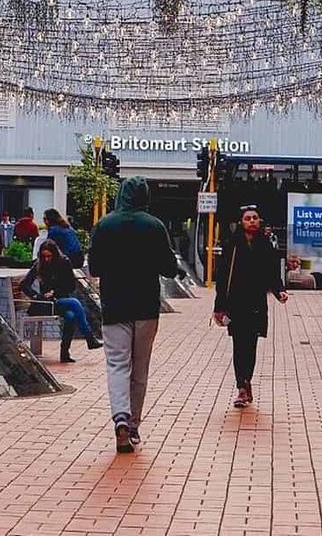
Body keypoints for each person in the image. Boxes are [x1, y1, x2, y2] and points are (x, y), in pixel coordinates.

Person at [88, 176, 178, 453]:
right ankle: (135, 424)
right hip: (146, 307)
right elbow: (170, 269)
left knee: (117, 364)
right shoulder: (154, 226)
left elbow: (94, 268)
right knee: (140, 367)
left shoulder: (104, 225)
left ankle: (120, 419)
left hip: (114, 305)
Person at [213, 204, 287, 409]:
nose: (252, 221)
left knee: (251, 344)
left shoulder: (265, 245)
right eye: (248, 218)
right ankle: (242, 387)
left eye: (255, 217)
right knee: (239, 345)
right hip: (235, 303)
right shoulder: (232, 245)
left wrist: (279, 290)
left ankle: (247, 380)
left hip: (256, 303)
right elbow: (222, 278)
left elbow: (272, 273)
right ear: (241, 222)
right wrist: (219, 306)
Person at [21, 240, 102, 362]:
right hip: (45, 303)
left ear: (55, 254)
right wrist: (37, 296)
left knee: (71, 316)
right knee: (74, 303)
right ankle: (89, 337)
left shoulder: (64, 262)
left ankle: (65, 353)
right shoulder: (39, 264)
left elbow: (70, 286)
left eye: (49, 256)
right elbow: (24, 284)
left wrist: (55, 291)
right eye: (44, 256)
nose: (46, 259)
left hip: (60, 300)